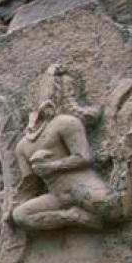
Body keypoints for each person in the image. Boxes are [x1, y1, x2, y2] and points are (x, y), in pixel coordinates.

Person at [12, 65, 121, 231]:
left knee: (114, 211)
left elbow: (83, 157)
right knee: (20, 215)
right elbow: (30, 184)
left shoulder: (66, 122)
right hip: (58, 197)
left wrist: (51, 166)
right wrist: (16, 202)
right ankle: (74, 217)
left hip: (81, 187)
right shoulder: (22, 146)